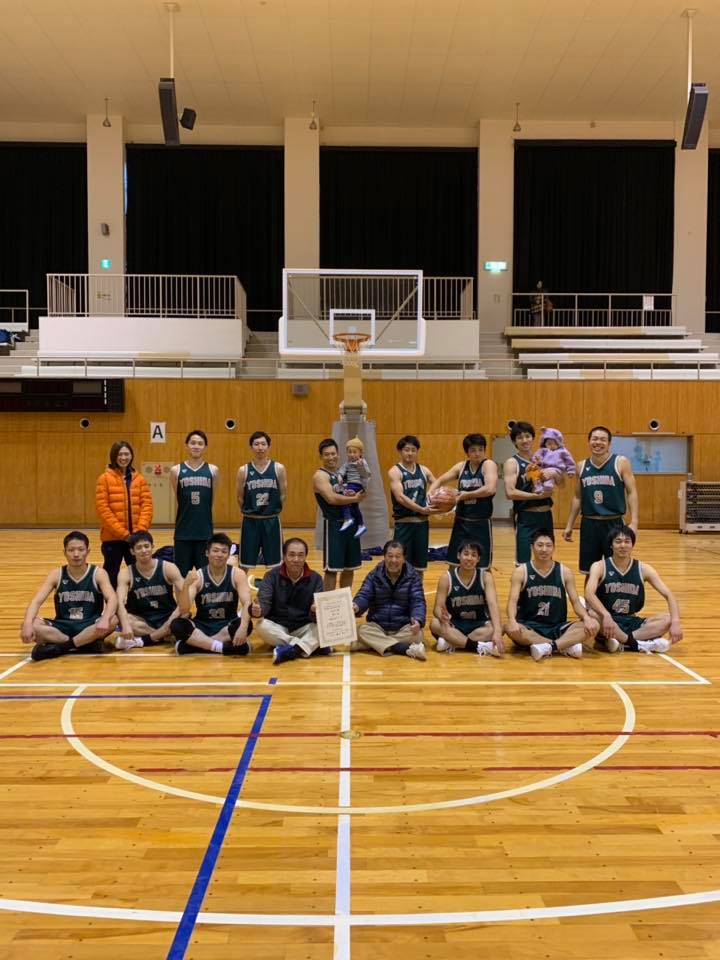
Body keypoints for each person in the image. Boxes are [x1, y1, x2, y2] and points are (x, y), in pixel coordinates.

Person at [585, 524, 683, 654]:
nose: (623, 545)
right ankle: (638, 644)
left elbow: (669, 595)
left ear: (632, 544)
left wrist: (676, 622)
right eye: (618, 541)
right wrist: (606, 615)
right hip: (606, 619)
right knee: (592, 614)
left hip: (631, 620)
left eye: (627, 541)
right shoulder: (599, 566)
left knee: (668, 619)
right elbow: (589, 593)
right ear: (611, 545)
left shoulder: (643, 569)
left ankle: (621, 640)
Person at [20, 531, 117, 661]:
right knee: (31, 624)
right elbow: (36, 601)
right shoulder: (56, 574)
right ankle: (85, 644)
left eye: (81, 549)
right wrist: (27, 624)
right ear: (64, 552)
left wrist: (105, 619)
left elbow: (112, 598)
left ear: (88, 551)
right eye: (71, 550)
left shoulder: (98, 573)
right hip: (63, 626)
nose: (76, 554)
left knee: (113, 619)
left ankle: (62, 648)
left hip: (90, 624)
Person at [504, 527, 598, 661]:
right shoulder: (521, 572)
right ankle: (563, 646)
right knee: (509, 627)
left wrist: (587, 618)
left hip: (557, 627)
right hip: (530, 627)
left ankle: (548, 647)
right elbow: (512, 601)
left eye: (548, 545)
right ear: (532, 547)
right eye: (540, 545)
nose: (544, 549)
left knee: (594, 624)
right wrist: (512, 621)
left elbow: (576, 602)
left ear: (553, 548)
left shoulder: (564, 572)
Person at [563, 425, 638, 576]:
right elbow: (578, 497)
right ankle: (591, 593)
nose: (598, 442)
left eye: (603, 439)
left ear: (609, 443)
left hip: (614, 523)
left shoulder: (621, 462)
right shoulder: (581, 466)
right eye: (594, 439)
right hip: (589, 524)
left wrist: (634, 522)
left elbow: (632, 492)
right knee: (589, 571)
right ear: (589, 442)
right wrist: (569, 524)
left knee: (617, 568)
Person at [170, 532, 252, 656]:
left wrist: (243, 627)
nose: (219, 555)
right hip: (202, 626)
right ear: (207, 553)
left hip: (227, 625)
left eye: (224, 551)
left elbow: (247, 603)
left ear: (228, 555)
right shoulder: (198, 576)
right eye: (215, 550)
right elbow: (184, 609)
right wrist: (186, 586)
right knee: (177, 625)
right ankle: (224, 648)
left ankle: (196, 645)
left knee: (247, 624)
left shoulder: (237, 574)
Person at [251, 537, 327, 665]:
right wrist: (258, 611)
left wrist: (315, 611)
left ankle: (292, 650)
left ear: (305, 557)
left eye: (300, 555)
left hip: (304, 626)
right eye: (291, 555)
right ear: (284, 557)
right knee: (261, 626)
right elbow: (264, 603)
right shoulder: (271, 576)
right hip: (279, 626)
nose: (296, 559)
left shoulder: (316, 579)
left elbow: (317, 616)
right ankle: (305, 647)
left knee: (324, 628)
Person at [352, 540, 427, 660]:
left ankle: (375, 644)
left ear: (404, 558)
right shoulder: (374, 575)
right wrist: (357, 605)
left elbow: (418, 601)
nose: (393, 560)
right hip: (378, 626)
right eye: (390, 556)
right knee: (360, 630)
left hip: (402, 627)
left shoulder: (413, 577)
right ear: (384, 557)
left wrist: (418, 620)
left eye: (398, 556)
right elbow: (364, 595)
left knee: (417, 634)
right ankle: (402, 648)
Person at [429, 433, 497, 566]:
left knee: (482, 567)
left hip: (481, 523)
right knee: (454, 564)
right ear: (467, 453)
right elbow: (440, 480)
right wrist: (429, 495)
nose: (477, 453)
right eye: (473, 450)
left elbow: (490, 489)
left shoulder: (488, 464)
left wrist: (466, 495)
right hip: (461, 522)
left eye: (480, 449)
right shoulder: (461, 466)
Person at [95, 440, 153, 589]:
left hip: (135, 539)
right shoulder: (104, 479)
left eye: (127, 454)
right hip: (112, 538)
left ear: (131, 456)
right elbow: (103, 510)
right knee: (111, 574)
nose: (123, 457)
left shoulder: (139, 479)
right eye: (120, 454)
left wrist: (139, 532)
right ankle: (112, 603)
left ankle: (136, 602)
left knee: (138, 574)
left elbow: (147, 506)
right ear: (114, 456)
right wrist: (124, 534)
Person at [430, 540, 503, 657]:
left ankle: (452, 642)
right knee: (434, 623)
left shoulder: (485, 577)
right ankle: (478, 646)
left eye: (473, 555)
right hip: (454, 624)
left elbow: (493, 604)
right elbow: (437, 608)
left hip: (478, 625)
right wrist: (442, 617)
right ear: (459, 555)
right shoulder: (446, 578)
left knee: (498, 628)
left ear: (478, 559)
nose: (469, 558)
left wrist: (498, 632)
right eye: (466, 554)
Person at [114, 531, 184, 649]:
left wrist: (172, 620)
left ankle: (145, 639)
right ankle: (164, 636)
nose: (144, 550)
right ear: (132, 551)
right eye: (139, 548)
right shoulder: (126, 573)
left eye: (146, 546)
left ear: (152, 547)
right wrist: (125, 625)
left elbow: (185, 598)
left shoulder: (168, 568)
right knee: (122, 619)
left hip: (167, 616)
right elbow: (119, 602)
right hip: (142, 619)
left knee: (185, 614)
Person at [313, 438, 364, 592]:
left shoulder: (343, 473)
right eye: (327, 454)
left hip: (351, 523)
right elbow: (331, 498)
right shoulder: (320, 476)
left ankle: (344, 602)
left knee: (349, 568)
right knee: (332, 569)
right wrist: (354, 499)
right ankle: (328, 603)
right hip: (334, 525)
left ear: (338, 454)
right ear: (321, 456)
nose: (331, 457)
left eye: (333, 453)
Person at [388, 434, 438, 583]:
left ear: (417, 451)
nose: (410, 453)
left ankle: (417, 594)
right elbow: (400, 497)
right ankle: (399, 594)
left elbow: (437, 484)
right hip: (404, 524)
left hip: (421, 525)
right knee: (398, 565)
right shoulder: (395, 471)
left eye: (413, 450)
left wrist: (431, 496)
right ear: (400, 451)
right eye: (406, 450)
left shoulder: (424, 470)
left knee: (419, 567)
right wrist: (421, 509)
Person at [503, 421, 554, 565]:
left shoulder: (542, 460)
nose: (524, 440)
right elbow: (510, 493)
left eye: (527, 436)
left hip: (546, 515)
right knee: (523, 561)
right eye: (520, 437)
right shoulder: (512, 463)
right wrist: (536, 496)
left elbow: (559, 483)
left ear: (533, 438)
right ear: (514, 441)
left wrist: (554, 475)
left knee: (546, 559)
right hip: (526, 516)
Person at [236, 431, 287, 571]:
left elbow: (283, 495)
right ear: (251, 447)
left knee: (276, 564)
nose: (260, 447)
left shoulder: (278, 468)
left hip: (271, 521)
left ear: (268, 446)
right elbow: (240, 498)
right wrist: (252, 511)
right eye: (256, 444)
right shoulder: (243, 470)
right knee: (244, 563)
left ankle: (274, 586)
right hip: (250, 521)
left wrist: (271, 510)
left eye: (263, 444)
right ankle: (241, 586)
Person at [171, 429, 219, 577]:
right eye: (193, 443)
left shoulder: (213, 470)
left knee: (205, 577)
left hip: (204, 533)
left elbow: (211, 499)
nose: (196, 446)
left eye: (200, 443)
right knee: (181, 577)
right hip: (183, 533)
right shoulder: (176, 470)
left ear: (205, 447)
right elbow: (179, 497)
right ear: (187, 445)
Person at [337, 436, 371, 538]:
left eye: (354, 452)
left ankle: (348, 518)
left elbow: (366, 475)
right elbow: (341, 471)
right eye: (349, 452)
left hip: (357, 485)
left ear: (360, 453)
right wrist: (339, 477)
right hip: (350, 485)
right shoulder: (347, 463)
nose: (352, 454)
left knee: (343, 498)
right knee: (355, 506)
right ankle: (361, 525)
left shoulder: (362, 462)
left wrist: (361, 466)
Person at [526, 426, 576, 494]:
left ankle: (548, 484)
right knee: (535, 472)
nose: (551, 445)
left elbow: (569, 461)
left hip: (556, 469)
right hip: (544, 468)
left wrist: (571, 471)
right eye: (549, 444)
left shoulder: (562, 451)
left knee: (550, 474)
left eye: (553, 443)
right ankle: (538, 486)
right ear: (545, 444)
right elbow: (536, 456)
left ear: (558, 443)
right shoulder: (543, 450)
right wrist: (537, 461)